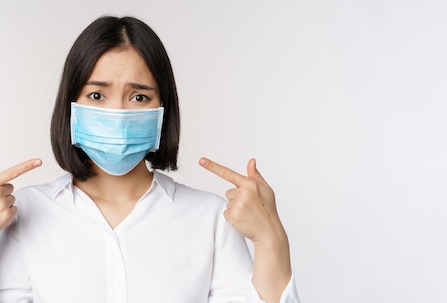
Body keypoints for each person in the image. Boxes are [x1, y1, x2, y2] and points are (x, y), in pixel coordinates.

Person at [0, 16, 299, 303]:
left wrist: (271, 239)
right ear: (72, 104)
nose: (118, 113)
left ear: (162, 109)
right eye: (97, 96)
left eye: (139, 97)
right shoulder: (22, 213)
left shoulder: (210, 219)